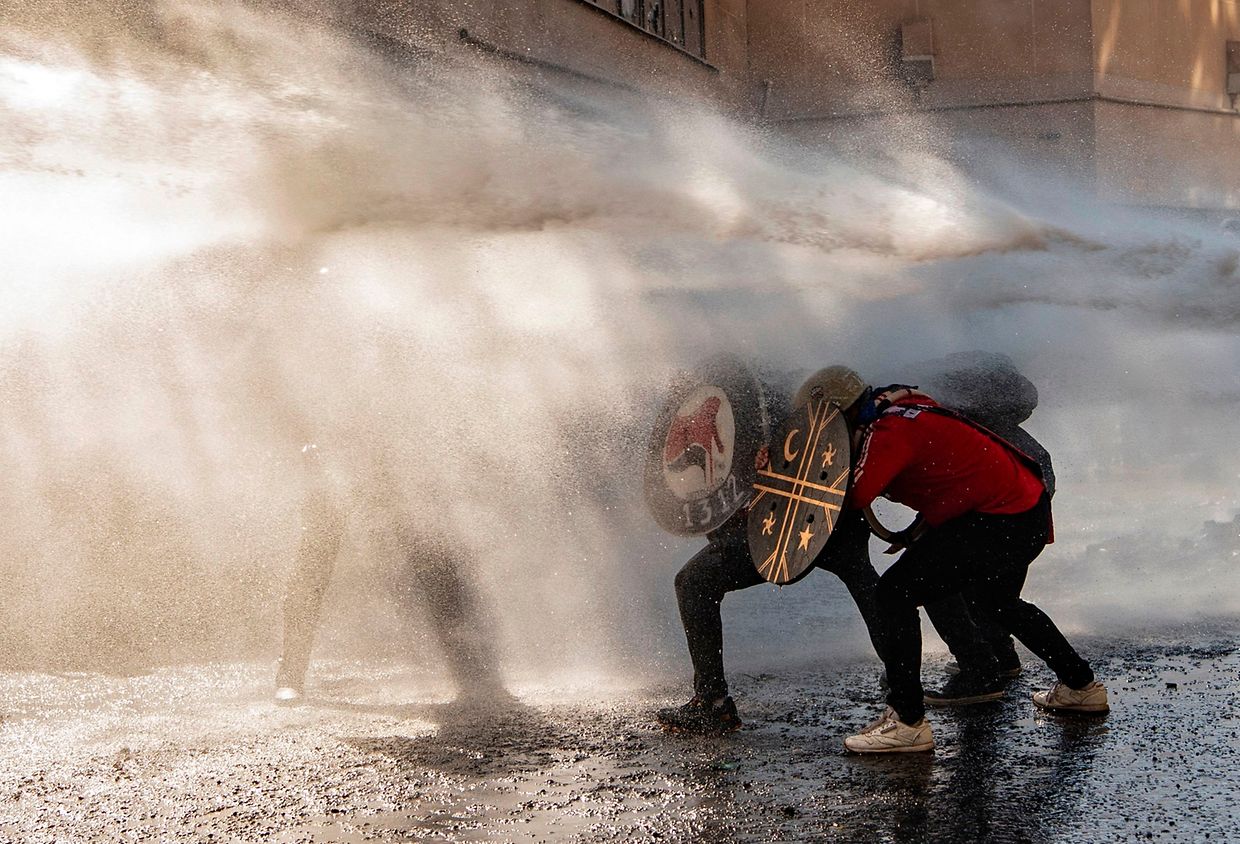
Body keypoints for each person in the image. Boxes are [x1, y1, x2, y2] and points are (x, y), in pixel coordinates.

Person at [655, 368, 1015, 735]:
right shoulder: (885, 413)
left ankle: (712, 703)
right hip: (838, 522)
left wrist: (771, 475)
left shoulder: (873, 426)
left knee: (694, 582)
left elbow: (822, 473)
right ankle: (902, 685)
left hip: (813, 520)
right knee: (871, 590)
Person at [826, 368, 1108, 754]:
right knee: (997, 602)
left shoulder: (886, 433)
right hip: (1024, 513)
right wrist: (916, 533)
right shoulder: (903, 410)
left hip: (998, 520)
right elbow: (950, 477)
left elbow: (848, 497)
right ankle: (1082, 686)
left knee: (894, 594)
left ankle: (907, 721)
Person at [274, 443, 506, 704]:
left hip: (390, 450)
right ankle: (290, 674)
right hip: (330, 448)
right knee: (315, 554)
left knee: (430, 543)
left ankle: (473, 669)